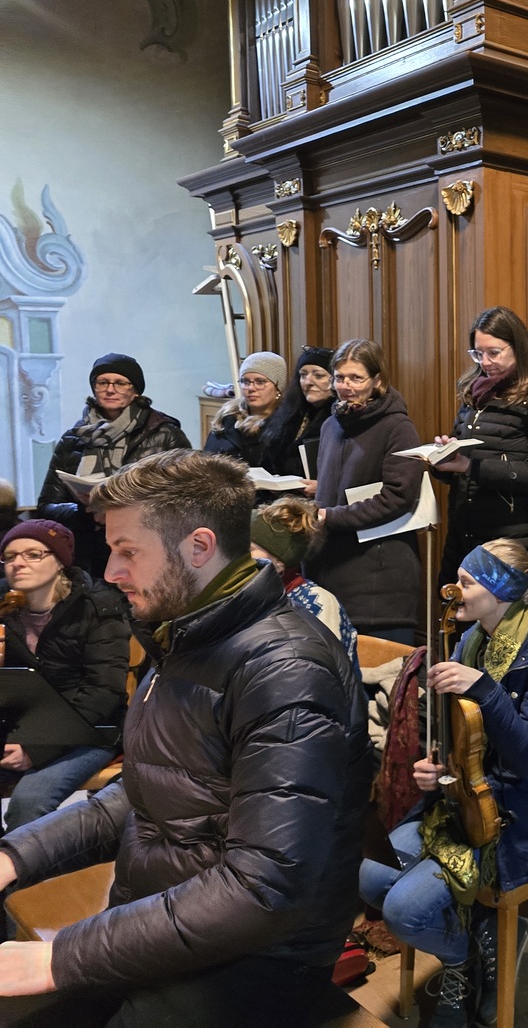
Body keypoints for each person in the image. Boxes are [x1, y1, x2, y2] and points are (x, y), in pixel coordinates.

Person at [0, 450, 372, 1026]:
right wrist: (13, 855)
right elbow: (140, 794)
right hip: (163, 917)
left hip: (256, 958)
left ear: (199, 547)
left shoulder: (286, 669)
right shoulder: (186, 633)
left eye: (127, 551)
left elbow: (264, 886)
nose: (110, 572)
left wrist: (64, 957)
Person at [359, 539, 528, 1028]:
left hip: (525, 814)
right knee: (369, 877)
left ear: (501, 592)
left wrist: (483, 687)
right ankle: (468, 953)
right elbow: (461, 735)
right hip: (464, 798)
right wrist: (435, 766)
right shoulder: (470, 641)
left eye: (466, 582)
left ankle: (467, 960)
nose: (453, 590)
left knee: (403, 913)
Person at [0, 521, 128, 831]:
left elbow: (103, 693)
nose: (18, 563)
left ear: (59, 562)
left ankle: (25, 862)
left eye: (33, 554)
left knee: (28, 803)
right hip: (19, 726)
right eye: (9, 556)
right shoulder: (5, 606)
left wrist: (37, 748)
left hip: (89, 731)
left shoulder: (97, 606)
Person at [434, 307, 528, 580]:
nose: (485, 362)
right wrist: (445, 458)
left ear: (518, 347)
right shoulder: (475, 390)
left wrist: (469, 466)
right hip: (466, 537)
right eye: (478, 353)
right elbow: (465, 464)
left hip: (519, 542)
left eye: (494, 352)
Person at [308, 338, 424, 644]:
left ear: (377, 381)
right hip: (330, 569)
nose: (345, 386)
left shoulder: (398, 427)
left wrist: (330, 516)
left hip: (377, 581)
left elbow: (398, 496)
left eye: (356, 378)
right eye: (339, 377)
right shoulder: (331, 425)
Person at [35, 353, 191, 576]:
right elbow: (47, 505)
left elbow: (186, 498)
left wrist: (118, 511)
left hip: (145, 547)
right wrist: (86, 511)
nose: (110, 390)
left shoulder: (166, 434)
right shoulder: (74, 439)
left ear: (135, 390)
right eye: (102, 382)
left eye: (120, 383)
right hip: (86, 551)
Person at [250, 497, 358, 663]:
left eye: (250, 549)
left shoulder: (318, 604)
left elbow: (320, 670)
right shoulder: (250, 596)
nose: (240, 557)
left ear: (279, 562)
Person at [259, 345, 336, 484]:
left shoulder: (339, 419)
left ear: (335, 380)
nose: (308, 382)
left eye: (318, 376)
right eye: (303, 375)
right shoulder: (290, 413)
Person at [204, 352, 288, 466]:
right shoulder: (227, 418)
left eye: (260, 382)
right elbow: (207, 461)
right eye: (245, 382)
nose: (251, 388)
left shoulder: (288, 422)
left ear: (278, 387)